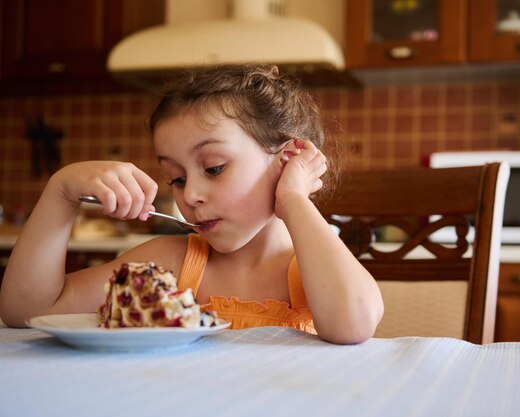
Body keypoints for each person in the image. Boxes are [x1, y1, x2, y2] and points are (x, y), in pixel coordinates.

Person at [0, 64, 384, 344]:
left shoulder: (314, 268)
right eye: (177, 179)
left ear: (287, 161)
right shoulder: (170, 266)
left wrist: (294, 199)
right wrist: (60, 193)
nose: (190, 195)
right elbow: (26, 313)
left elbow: (353, 325)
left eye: (214, 168)